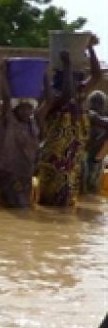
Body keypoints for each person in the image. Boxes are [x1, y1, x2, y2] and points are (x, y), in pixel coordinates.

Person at [36, 36, 102, 206]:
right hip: (54, 161)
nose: (79, 82)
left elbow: (97, 75)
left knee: (67, 204)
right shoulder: (53, 96)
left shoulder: (78, 96)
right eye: (73, 78)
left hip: (72, 160)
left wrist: (90, 48)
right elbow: (66, 94)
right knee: (53, 203)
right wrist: (67, 65)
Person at [0, 65, 40, 208]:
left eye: (29, 108)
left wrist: (42, 76)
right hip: (9, 172)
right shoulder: (9, 121)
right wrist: (3, 74)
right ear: (16, 109)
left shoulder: (32, 125)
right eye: (23, 107)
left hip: (26, 173)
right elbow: (6, 99)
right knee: (15, 207)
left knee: (23, 206)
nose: (26, 111)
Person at [81, 90, 108, 194]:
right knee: (83, 188)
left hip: (97, 158)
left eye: (100, 102)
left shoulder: (103, 119)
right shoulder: (89, 114)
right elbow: (97, 119)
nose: (97, 105)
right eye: (95, 101)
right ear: (90, 102)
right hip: (85, 156)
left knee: (93, 189)